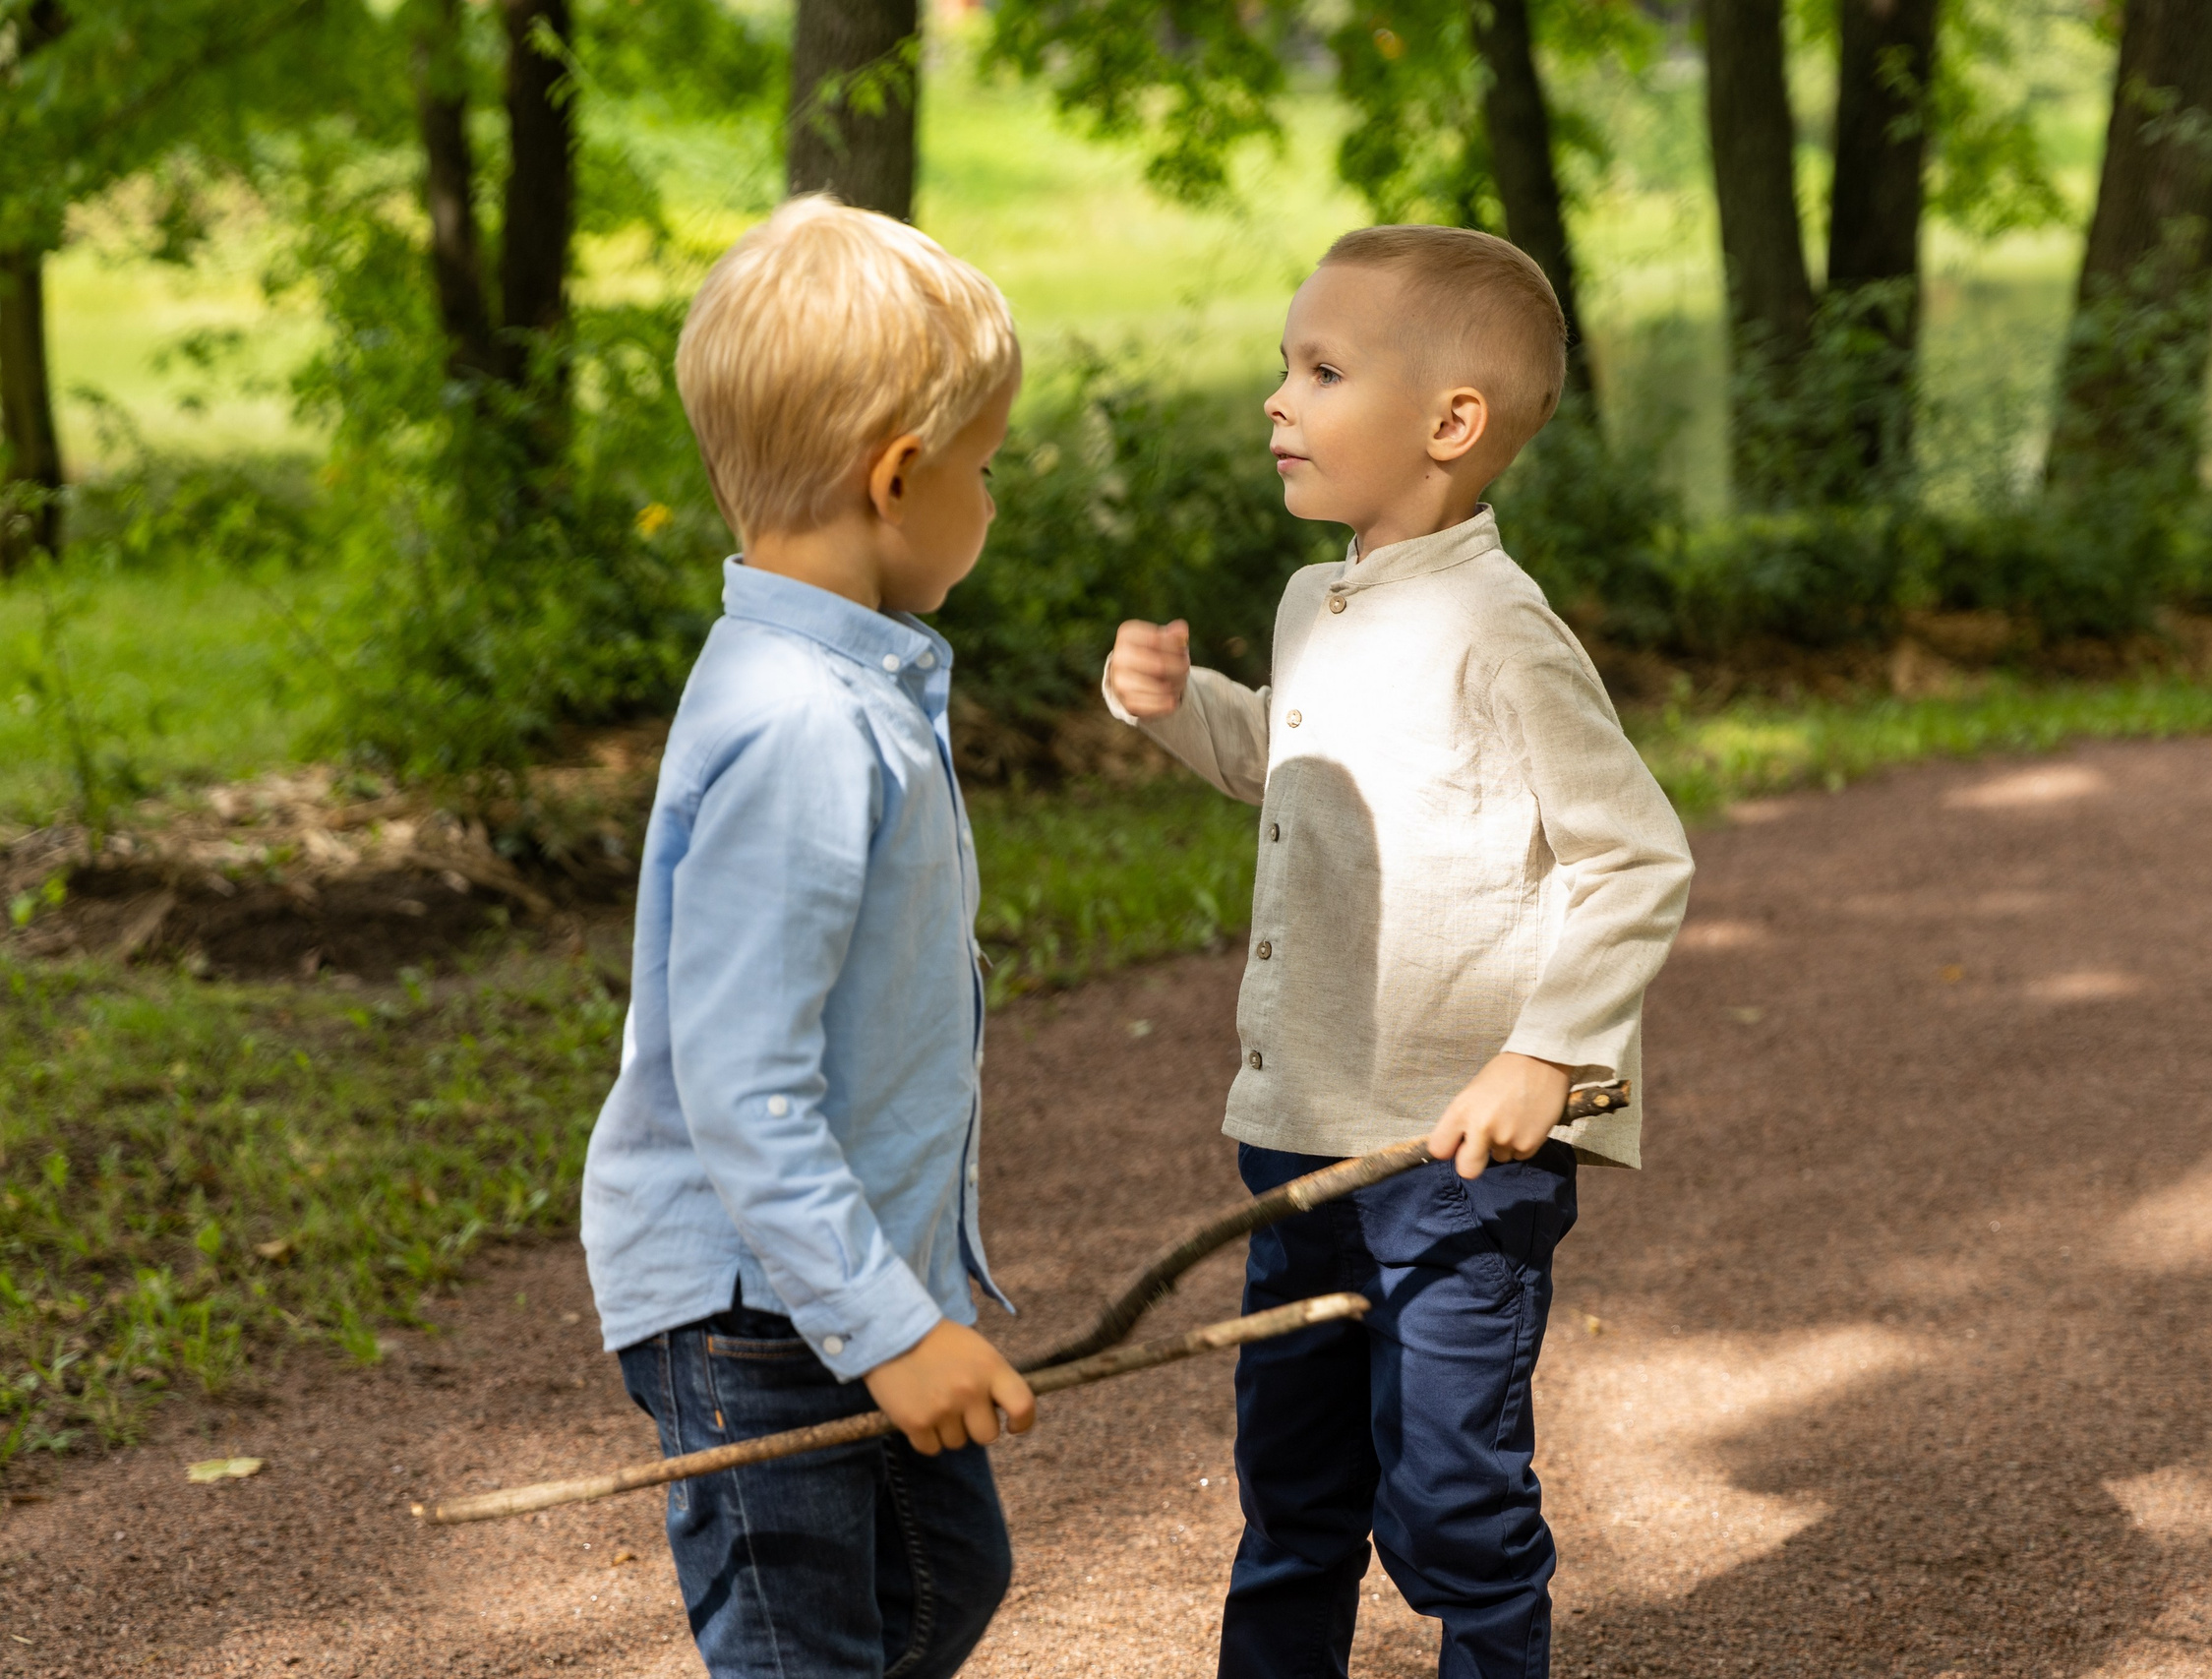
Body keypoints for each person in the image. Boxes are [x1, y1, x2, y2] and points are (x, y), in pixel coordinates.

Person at [1102, 224, 1695, 1678]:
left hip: (1456, 1167)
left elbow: (1635, 854)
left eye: (1320, 369)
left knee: (1452, 1503)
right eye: (1282, 366)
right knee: (1291, 1495)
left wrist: (1543, 1057)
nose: (1276, 400)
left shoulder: (1503, 631)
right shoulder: (1321, 600)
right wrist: (1182, 707)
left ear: (1450, 423)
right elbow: (1287, 764)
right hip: (1300, 1141)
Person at [580, 196, 1034, 1679]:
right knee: (803, 1654)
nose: (993, 498)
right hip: (752, 1310)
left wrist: (900, 1308)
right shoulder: (799, 729)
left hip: (834, 1285)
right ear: (899, 477)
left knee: (943, 1577)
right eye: (986, 468)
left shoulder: (846, 691)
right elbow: (743, 1093)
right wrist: (889, 1332)